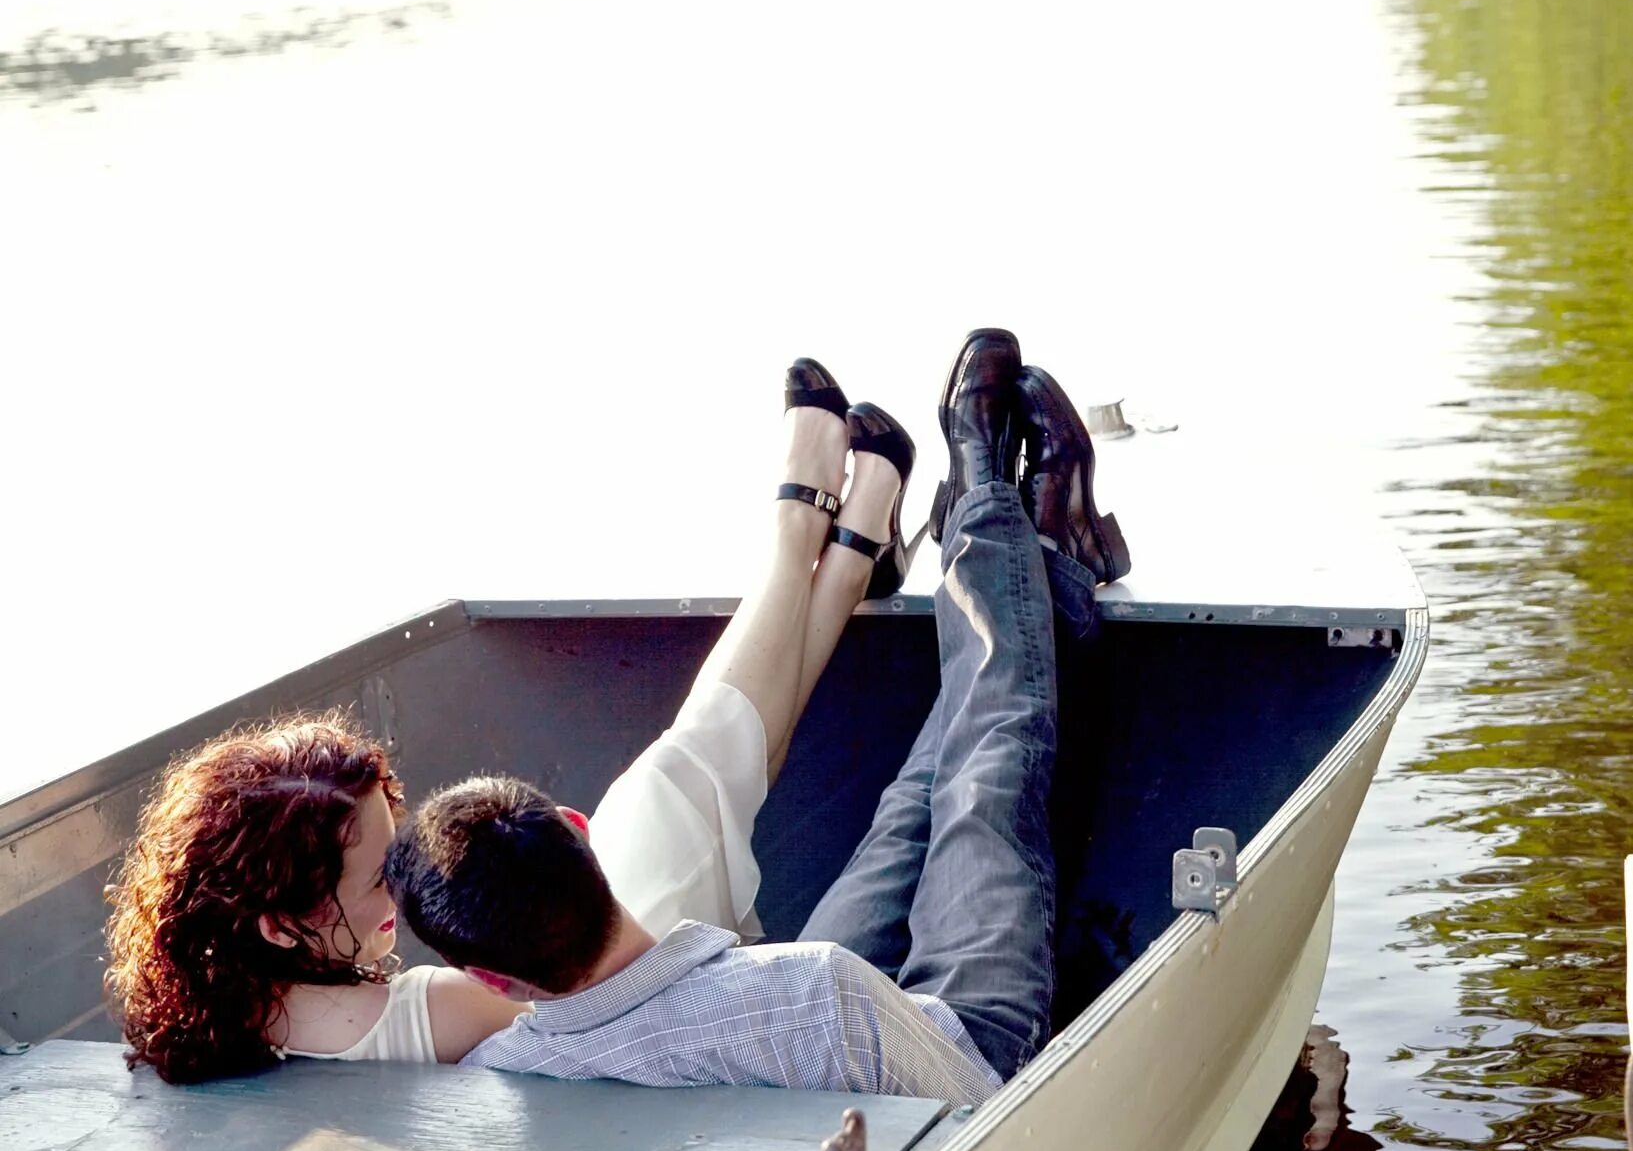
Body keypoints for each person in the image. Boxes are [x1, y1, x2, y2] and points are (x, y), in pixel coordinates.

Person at [104, 361, 916, 1083]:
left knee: (684, 784)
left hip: (586, 1013)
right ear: (283, 925)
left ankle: (835, 556)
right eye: (387, 874)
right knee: (669, 790)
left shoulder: (213, 1013)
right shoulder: (437, 1013)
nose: (414, 871)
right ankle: (813, 543)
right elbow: (576, 999)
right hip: (624, 1018)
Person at [387, 332, 1129, 1105]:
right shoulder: (816, 989)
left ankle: (1043, 549)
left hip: (813, 1028)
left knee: (909, 809)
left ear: (491, 980)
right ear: (580, 830)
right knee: (984, 794)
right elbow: (968, 1096)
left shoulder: (498, 1079)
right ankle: (1002, 516)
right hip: (963, 1050)